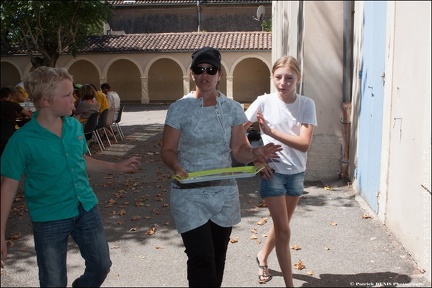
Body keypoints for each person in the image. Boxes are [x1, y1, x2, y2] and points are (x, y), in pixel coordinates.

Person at [0, 66, 141, 287]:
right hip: (49, 218)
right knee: (53, 281)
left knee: (101, 264)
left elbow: (81, 160)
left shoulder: (74, 126)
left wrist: (116, 167)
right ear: (46, 101)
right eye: (67, 95)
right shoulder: (22, 141)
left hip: (85, 208)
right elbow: (8, 187)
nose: (73, 99)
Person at [160, 46, 282, 287]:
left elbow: (239, 149)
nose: (205, 75)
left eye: (211, 69)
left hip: (223, 194)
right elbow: (168, 149)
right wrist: (175, 165)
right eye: (199, 69)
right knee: (201, 258)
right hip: (189, 194)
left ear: (219, 74)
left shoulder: (231, 108)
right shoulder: (179, 108)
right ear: (192, 74)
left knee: (217, 256)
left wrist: (255, 152)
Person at [244, 55, 317, 286]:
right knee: (285, 231)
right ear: (272, 76)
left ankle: (262, 256)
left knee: (281, 225)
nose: (283, 83)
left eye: (289, 78)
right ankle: (289, 284)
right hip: (272, 173)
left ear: (298, 79)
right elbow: (238, 133)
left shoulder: (306, 104)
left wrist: (272, 133)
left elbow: (304, 144)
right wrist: (256, 160)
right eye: (278, 77)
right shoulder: (263, 102)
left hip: (296, 173)